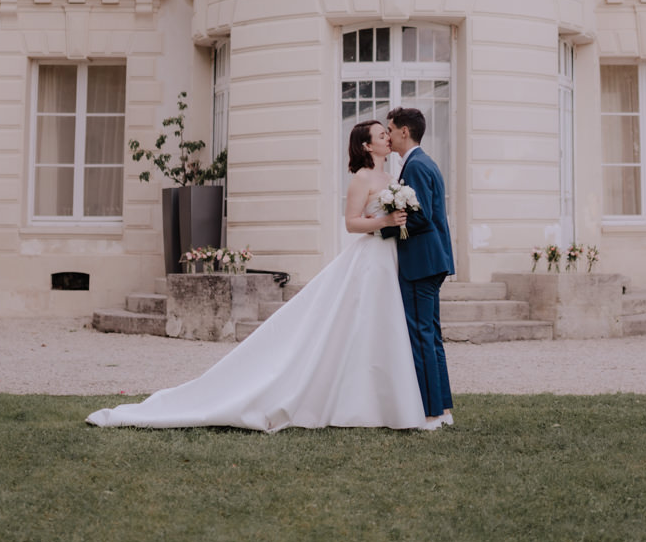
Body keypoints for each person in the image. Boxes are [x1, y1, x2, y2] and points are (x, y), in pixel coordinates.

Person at [86, 120, 438, 432]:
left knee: (384, 327)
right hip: (369, 258)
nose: (388, 139)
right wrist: (384, 222)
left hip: (391, 258)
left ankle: (386, 400)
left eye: (387, 134)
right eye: (381, 135)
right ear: (366, 145)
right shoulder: (361, 178)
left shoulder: (394, 178)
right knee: (356, 324)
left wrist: (398, 222)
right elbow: (351, 223)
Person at [384, 107, 455, 427]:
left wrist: (383, 228)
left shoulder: (415, 166)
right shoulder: (424, 162)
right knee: (432, 335)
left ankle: (429, 414)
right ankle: (443, 410)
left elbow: (421, 216)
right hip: (432, 259)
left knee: (421, 335)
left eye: (390, 129)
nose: (387, 135)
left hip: (421, 262)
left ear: (404, 132)